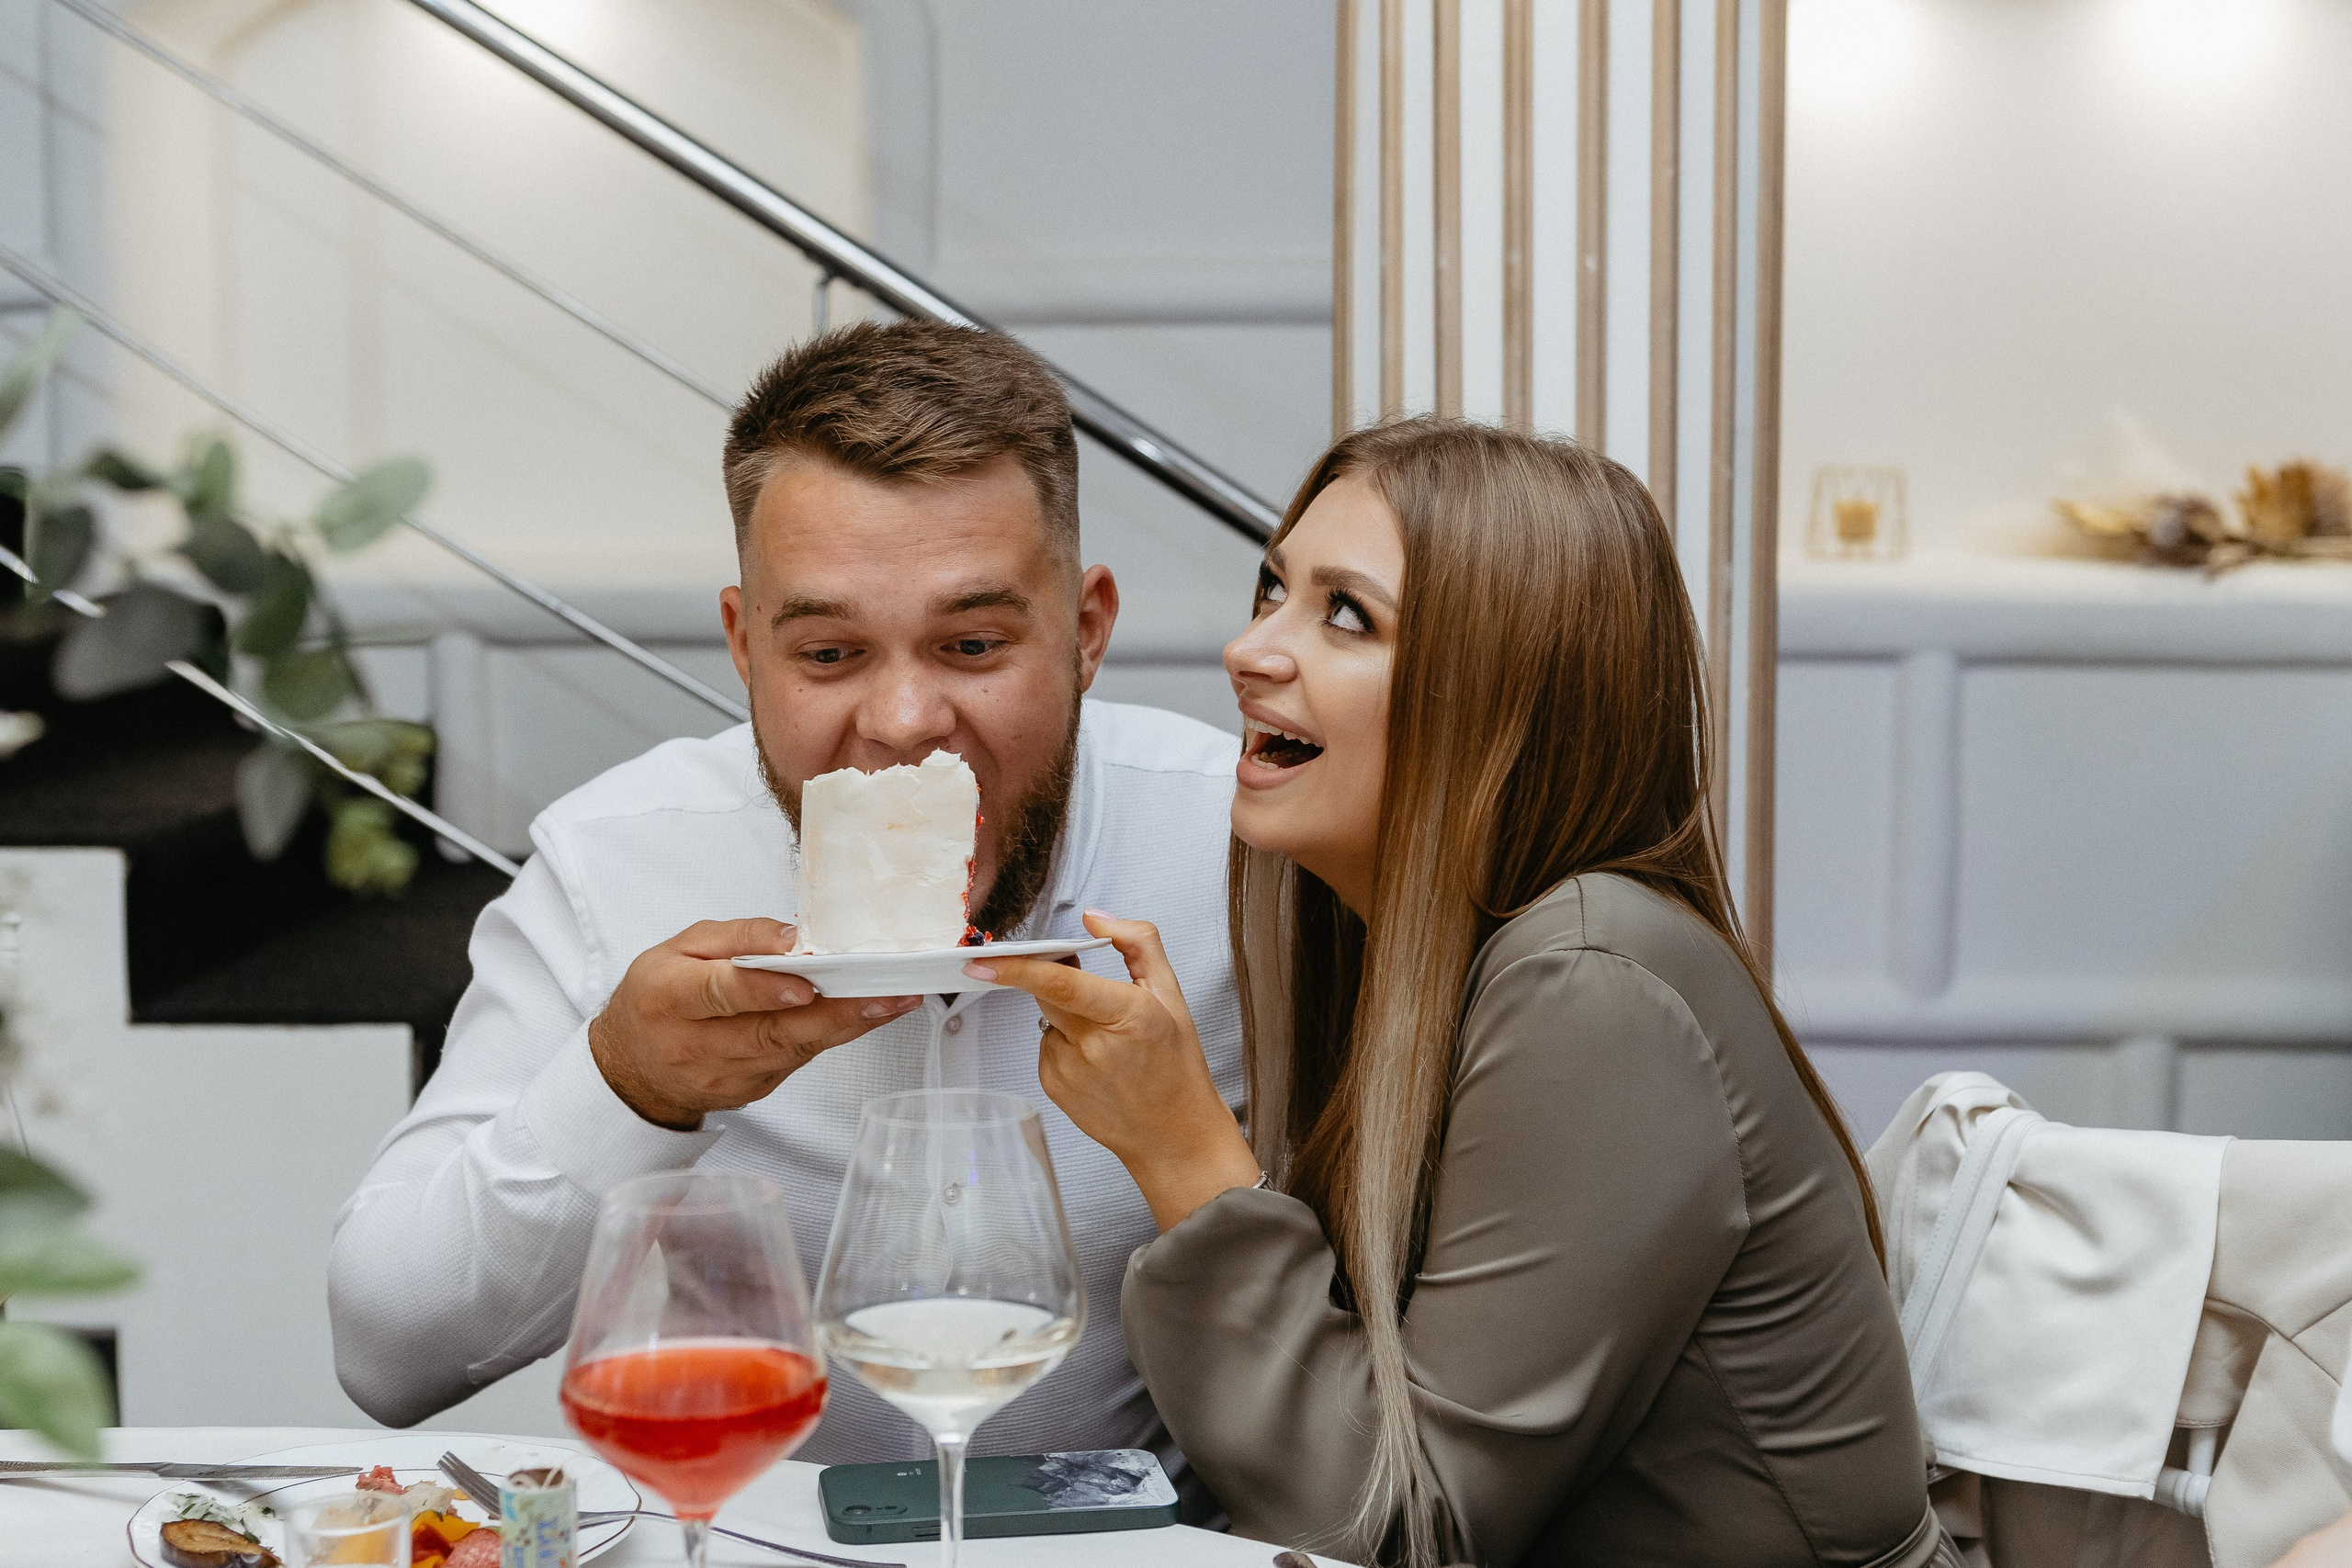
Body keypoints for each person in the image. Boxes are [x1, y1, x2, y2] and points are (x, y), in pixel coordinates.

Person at [977, 419, 1951, 1566]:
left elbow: (1400, 1529)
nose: (1250, 651)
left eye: (1348, 615)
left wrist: (1184, 1155)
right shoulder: (1391, 948)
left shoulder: (1591, 985)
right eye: (1273, 589)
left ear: (1504, 698)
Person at [328, 321, 1245, 1490]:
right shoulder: (612, 865)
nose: (905, 721)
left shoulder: (1237, 849)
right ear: (743, 646)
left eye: (971, 644)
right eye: (827, 655)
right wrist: (628, 1090)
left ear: (1085, 631)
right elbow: (387, 1350)